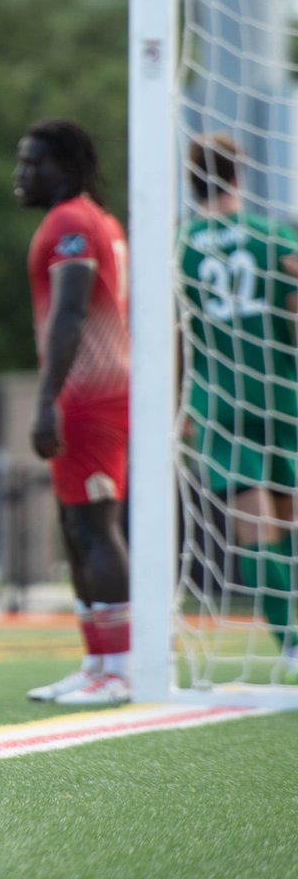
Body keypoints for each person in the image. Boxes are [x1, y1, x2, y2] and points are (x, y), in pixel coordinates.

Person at [14, 119, 131, 706]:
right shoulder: (93, 219)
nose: (20, 174)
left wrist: (47, 400)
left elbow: (69, 315)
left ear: (62, 166)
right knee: (76, 525)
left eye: (30, 163)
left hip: (91, 395)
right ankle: (97, 662)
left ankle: (120, 668)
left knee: (94, 525)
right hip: (89, 394)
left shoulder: (70, 223)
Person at [177, 134, 298, 673]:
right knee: (289, 523)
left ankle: (291, 642)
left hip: (220, 402)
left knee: (254, 533)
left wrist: (179, 409)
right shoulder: (273, 237)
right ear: (238, 178)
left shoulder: (180, 248)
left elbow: (173, 336)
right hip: (282, 395)